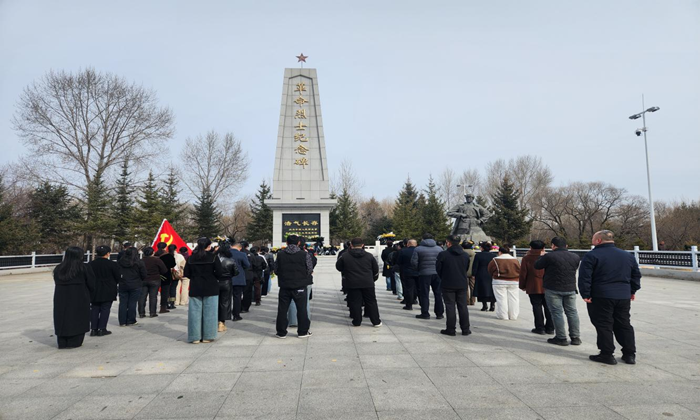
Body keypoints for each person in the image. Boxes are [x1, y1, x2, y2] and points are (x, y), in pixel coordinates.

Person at [578, 230, 641, 365]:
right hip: (623, 295)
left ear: (598, 240)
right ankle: (629, 354)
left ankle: (607, 354)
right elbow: (636, 274)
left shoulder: (591, 255)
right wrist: (632, 290)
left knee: (604, 324)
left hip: (601, 295)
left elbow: (585, 277)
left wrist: (586, 294)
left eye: (593, 238)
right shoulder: (627, 255)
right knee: (624, 324)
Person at [535, 237, 582, 346]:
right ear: (566, 246)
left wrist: (541, 256)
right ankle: (575, 337)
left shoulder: (549, 256)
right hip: (570, 288)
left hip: (553, 288)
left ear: (553, 246)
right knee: (572, 312)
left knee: (557, 313)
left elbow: (537, 266)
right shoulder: (575, 256)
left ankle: (561, 337)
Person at [53, 246, 95, 349]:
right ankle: (74, 341)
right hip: (79, 296)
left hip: (61, 297)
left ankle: (62, 341)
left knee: (62, 317)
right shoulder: (83, 267)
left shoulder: (59, 268)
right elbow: (92, 284)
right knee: (78, 318)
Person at [183, 237, 222, 344]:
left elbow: (186, 273)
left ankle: (195, 337)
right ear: (209, 246)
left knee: (194, 313)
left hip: (195, 286)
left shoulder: (191, 258)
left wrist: (195, 277)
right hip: (211, 287)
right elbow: (219, 272)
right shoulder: (213, 257)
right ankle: (208, 336)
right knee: (210, 313)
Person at [336, 237, 381, 327]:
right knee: (371, 302)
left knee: (355, 302)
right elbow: (376, 270)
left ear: (351, 245)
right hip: (367, 282)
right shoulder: (369, 256)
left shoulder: (345, 256)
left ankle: (357, 321)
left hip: (352, 282)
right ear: (363, 245)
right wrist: (372, 279)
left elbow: (338, 267)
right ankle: (376, 321)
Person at [274, 234, 313, 338]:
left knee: (282, 310)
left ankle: (281, 332)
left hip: (285, 286)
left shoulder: (280, 254)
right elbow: (309, 269)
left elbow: (276, 269)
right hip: (300, 286)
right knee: (302, 309)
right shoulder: (304, 254)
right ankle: (303, 332)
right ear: (298, 243)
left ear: (286, 243)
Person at [436, 235, 472, 336]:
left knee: (450, 306)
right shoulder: (465, 255)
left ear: (448, 243)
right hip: (462, 283)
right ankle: (465, 329)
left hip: (448, 283)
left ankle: (451, 329)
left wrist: (444, 277)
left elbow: (438, 269)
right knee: (463, 306)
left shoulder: (443, 254)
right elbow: (466, 268)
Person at [519, 240, 554, 335]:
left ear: (530, 247)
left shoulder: (526, 258)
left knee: (536, 306)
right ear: (543, 248)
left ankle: (540, 328)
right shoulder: (549, 257)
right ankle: (550, 328)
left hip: (533, 285)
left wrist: (522, 285)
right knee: (549, 307)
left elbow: (523, 273)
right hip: (548, 286)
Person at [410, 233, 444, 320]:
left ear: (423, 239)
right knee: (438, 294)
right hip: (437, 274)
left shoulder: (418, 249)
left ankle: (425, 313)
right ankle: (439, 313)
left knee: (424, 294)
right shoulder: (439, 249)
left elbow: (414, 262)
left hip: (424, 273)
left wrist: (418, 269)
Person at [88, 245, 120, 336]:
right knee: (105, 309)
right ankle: (102, 328)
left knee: (94, 308)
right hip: (108, 289)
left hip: (94, 289)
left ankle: (93, 329)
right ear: (108, 254)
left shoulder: (90, 264)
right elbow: (117, 277)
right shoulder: (112, 264)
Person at [487, 245, 521, 320]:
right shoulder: (515, 260)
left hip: (499, 281)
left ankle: (503, 315)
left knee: (501, 299)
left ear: (500, 252)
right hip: (514, 281)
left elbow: (490, 270)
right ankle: (513, 315)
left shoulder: (495, 260)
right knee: (514, 298)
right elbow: (520, 270)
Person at [288, 238, 316, 328]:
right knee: (305, 301)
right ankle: (305, 321)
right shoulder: (307, 254)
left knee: (292, 300)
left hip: (290, 280)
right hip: (305, 280)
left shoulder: (284, 253)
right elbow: (311, 267)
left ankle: (293, 321)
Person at [117, 247, 146, 327]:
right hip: (135, 284)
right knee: (132, 303)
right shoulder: (139, 262)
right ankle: (131, 320)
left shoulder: (120, 262)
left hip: (123, 284)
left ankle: (122, 321)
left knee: (123, 303)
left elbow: (117, 272)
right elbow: (143, 274)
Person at [140, 247, 167, 318]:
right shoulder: (157, 260)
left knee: (142, 296)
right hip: (154, 279)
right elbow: (164, 270)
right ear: (153, 252)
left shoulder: (141, 260)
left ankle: (141, 313)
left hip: (143, 280)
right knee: (153, 297)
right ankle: (152, 312)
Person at [216, 245, 238, 332]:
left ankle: (216, 320)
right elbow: (236, 272)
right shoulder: (231, 261)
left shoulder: (215, 260)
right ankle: (222, 322)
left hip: (216, 282)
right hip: (227, 282)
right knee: (225, 302)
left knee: (216, 302)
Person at [471, 242, 497, 312]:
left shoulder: (478, 255)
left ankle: (484, 305)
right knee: (491, 289)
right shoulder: (494, 255)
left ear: (482, 248)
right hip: (491, 273)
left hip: (481, 273)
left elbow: (475, 266)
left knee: (482, 289)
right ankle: (492, 305)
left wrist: (473, 274)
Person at [230, 240, 251, 320]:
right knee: (237, 297)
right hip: (238, 278)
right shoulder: (242, 254)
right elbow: (247, 265)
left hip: (227, 278)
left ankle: (225, 315)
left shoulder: (225, 253)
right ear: (240, 248)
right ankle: (236, 315)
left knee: (226, 298)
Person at [398, 239, 419, 310]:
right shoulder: (419, 251)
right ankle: (418, 302)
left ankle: (409, 305)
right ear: (416, 244)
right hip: (418, 271)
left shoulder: (403, 251)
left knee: (409, 289)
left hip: (407, 271)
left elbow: (399, 261)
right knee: (418, 288)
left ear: (408, 244)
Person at [159, 244, 177, 311]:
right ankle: (167, 305)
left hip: (159, 274)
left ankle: (163, 305)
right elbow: (173, 264)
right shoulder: (171, 256)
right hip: (167, 274)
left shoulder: (159, 255)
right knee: (169, 290)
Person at [240, 241, 255, 313]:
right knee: (247, 292)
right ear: (247, 246)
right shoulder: (251, 254)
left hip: (239, 275)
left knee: (238, 293)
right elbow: (254, 265)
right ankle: (245, 307)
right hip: (249, 274)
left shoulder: (238, 254)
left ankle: (238, 307)